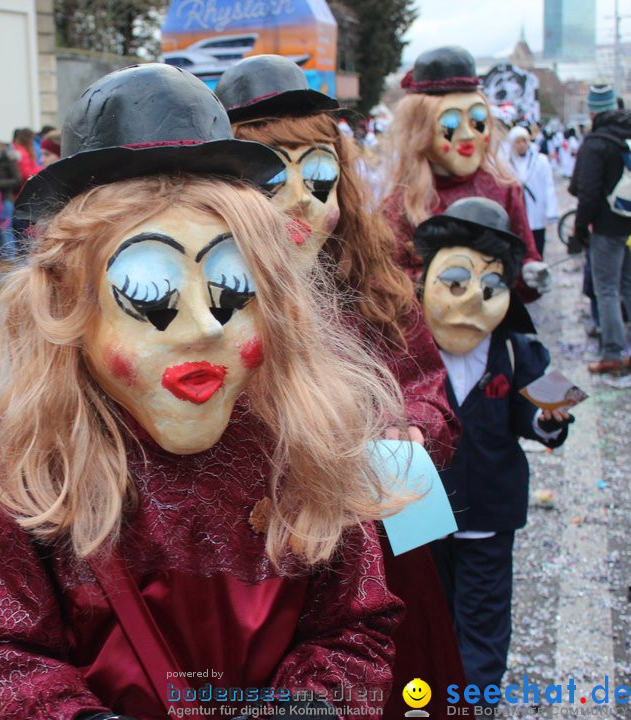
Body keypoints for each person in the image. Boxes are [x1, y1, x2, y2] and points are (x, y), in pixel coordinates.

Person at [0, 63, 406, 720]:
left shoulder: (307, 428)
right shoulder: (23, 446)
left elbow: (355, 628)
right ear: (72, 303)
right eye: (151, 293)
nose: (205, 327)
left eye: (233, 291)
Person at [215, 54, 464, 719]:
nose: (302, 198)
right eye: (273, 176)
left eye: (319, 173)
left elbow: (426, 380)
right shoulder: (202, 300)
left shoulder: (370, 282)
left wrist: (414, 430)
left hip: (382, 535)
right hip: (261, 560)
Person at [417, 198, 572, 706]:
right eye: (455, 282)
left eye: (487, 287)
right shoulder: (406, 347)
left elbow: (541, 411)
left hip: (487, 508)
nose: (469, 302)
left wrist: (547, 419)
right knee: (428, 609)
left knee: (483, 614)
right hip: (421, 511)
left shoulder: (516, 350)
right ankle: (430, 694)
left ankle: (474, 701)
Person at [382, 46, 548, 301]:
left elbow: (524, 261)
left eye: (478, 120)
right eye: (450, 123)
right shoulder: (400, 203)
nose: (468, 134)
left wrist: (529, 273)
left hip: (492, 334)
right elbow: (385, 284)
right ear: (421, 129)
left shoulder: (504, 189)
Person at [570, 84, 631, 374]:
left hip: (607, 228)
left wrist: (579, 230)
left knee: (606, 289)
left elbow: (588, 193)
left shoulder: (596, 143)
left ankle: (612, 352)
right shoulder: (630, 135)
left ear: (593, 111)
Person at [507, 126, 558, 258]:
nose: (521, 145)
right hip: (517, 210)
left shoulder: (540, 161)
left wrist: (551, 210)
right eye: (517, 142)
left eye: (524, 141)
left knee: (537, 243)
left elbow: (548, 185)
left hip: (536, 211)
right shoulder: (506, 163)